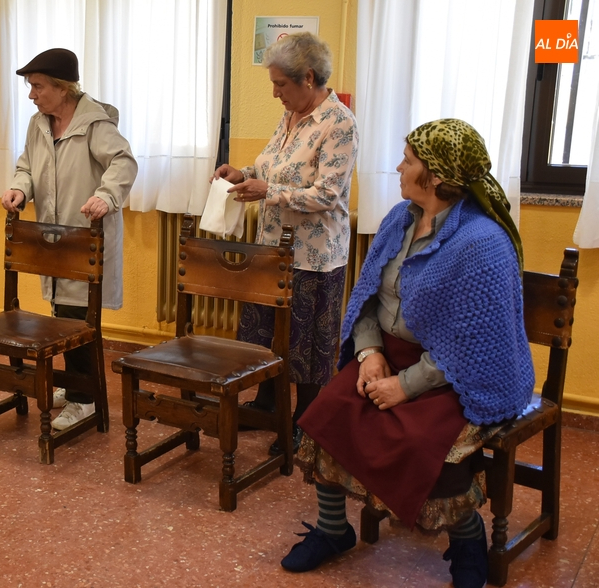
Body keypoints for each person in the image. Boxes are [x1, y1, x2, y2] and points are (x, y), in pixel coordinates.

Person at [284, 119, 532, 588]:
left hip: (455, 374)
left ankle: (467, 541)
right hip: (389, 353)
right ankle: (333, 530)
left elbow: (476, 348)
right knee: (330, 409)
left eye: (409, 160)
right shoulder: (399, 218)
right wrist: (370, 352)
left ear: (435, 176)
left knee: (422, 444)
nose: (399, 166)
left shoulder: (482, 244)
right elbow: (367, 297)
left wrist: (405, 385)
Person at [212, 32, 358, 455]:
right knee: (267, 336)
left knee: (308, 346)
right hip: (272, 248)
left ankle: (306, 423)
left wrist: (267, 191)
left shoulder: (339, 124)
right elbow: (266, 164)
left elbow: (326, 194)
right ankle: (266, 405)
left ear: (308, 78)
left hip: (314, 256)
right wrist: (241, 174)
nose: (275, 93)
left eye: (280, 85)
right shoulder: (291, 115)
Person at [1, 48, 138, 431]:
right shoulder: (39, 124)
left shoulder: (94, 125)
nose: (32, 94)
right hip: (53, 238)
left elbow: (124, 162)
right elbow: (27, 166)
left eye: (38, 86)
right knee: (63, 313)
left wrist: (106, 196)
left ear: (63, 88)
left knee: (79, 315)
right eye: (31, 86)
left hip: (85, 238)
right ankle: (79, 385)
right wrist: (19, 190)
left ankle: (85, 399)